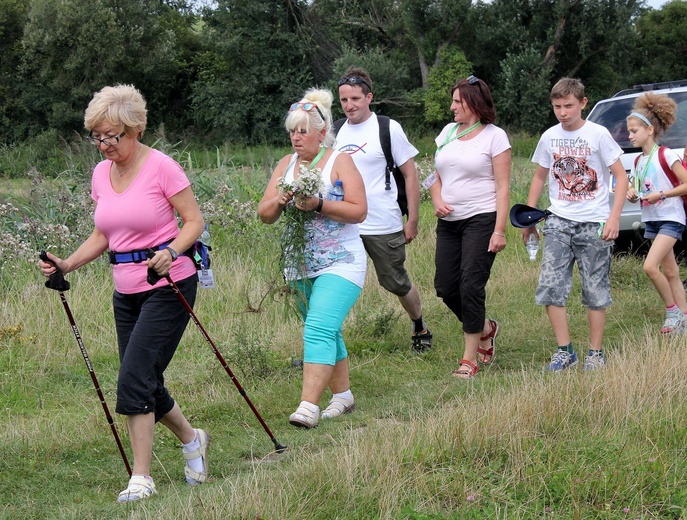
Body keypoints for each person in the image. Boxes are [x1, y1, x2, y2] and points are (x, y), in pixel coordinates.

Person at [38, 85, 209, 502]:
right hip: (125, 290)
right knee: (145, 377)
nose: (103, 145)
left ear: (134, 129)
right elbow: (104, 233)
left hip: (169, 284)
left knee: (133, 376)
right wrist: (66, 265)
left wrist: (171, 250)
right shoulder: (101, 173)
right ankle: (192, 440)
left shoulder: (163, 167)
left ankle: (141, 478)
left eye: (110, 136)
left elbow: (193, 222)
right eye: (96, 136)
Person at [258, 88, 367, 429]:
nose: (296, 137)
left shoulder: (340, 161)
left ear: (322, 133)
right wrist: (280, 199)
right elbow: (264, 214)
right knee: (326, 329)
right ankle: (344, 396)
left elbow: (359, 210)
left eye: (303, 130)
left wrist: (318, 204)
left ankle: (308, 406)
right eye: (292, 130)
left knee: (318, 327)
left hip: (342, 261)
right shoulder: (285, 165)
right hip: (300, 264)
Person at [523, 77, 628, 372]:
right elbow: (540, 177)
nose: (562, 112)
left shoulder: (598, 135)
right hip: (558, 219)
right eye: (557, 106)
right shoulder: (549, 137)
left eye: (568, 106)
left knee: (595, 287)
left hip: (593, 221)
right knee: (550, 285)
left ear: (583, 103)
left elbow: (621, 177)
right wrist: (529, 218)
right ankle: (564, 350)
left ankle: (595, 353)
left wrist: (614, 217)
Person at [334, 67, 433, 352]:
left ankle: (419, 324)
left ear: (369, 97)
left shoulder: (387, 128)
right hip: (344, 222)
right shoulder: (336, 131)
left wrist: (412, 220)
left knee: (395, 281)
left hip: (382, 222)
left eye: (355, 98)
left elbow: (411, 175)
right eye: (344, 100)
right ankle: (326, 340)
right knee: (335, 282)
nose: (350, 105)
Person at [429, 75, 511, 379]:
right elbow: (435, 176)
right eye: (453, 101)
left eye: (457, 102)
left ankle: (469, 359)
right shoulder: (447, 133)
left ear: (474, 104)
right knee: (445, 287)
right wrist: (437, 199)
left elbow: (503, 188)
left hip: (482, 218)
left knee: (470, 285)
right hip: (448, 222)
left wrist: (499, 229)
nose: (451, 107)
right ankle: (486, 328)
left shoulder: (495, 136)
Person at [626, 93, 687, 334]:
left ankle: (672, 311)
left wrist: (661, 195)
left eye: (633, 131)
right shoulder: (640, 160)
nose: (629, 135)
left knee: (650, 267)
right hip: (652, 219)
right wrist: (632, 192)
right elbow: (637, 187)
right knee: (671, 271)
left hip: (671, 218)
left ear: (649, 130)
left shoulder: (667, 154)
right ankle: (684, 319)